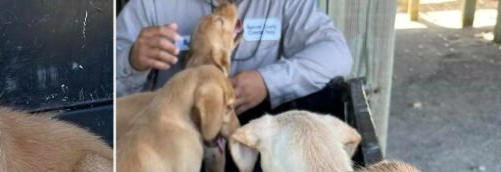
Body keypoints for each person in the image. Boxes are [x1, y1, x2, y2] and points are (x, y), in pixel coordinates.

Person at [116, 0, 353, 114]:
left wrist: (267, 81)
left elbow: (337, 54)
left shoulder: (284, 3)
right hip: (170, 131)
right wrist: (131, 60)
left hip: (252, 129)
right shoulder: (150, 5)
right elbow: (103, 87)